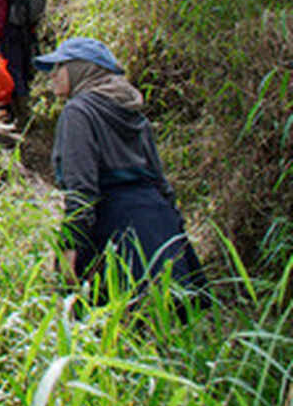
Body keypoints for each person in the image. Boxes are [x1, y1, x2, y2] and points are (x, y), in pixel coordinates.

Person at [35, 38, 208, 305]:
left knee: (115, 321)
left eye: (59, 67)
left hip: (115, 228)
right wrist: (177, 233)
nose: (52, 75)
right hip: (159, 226)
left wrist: (70, 247)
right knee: (168, 318)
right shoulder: (131, 110)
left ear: (81, 68)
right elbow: (160, 181)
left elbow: (82, 190)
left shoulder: (78, 112)